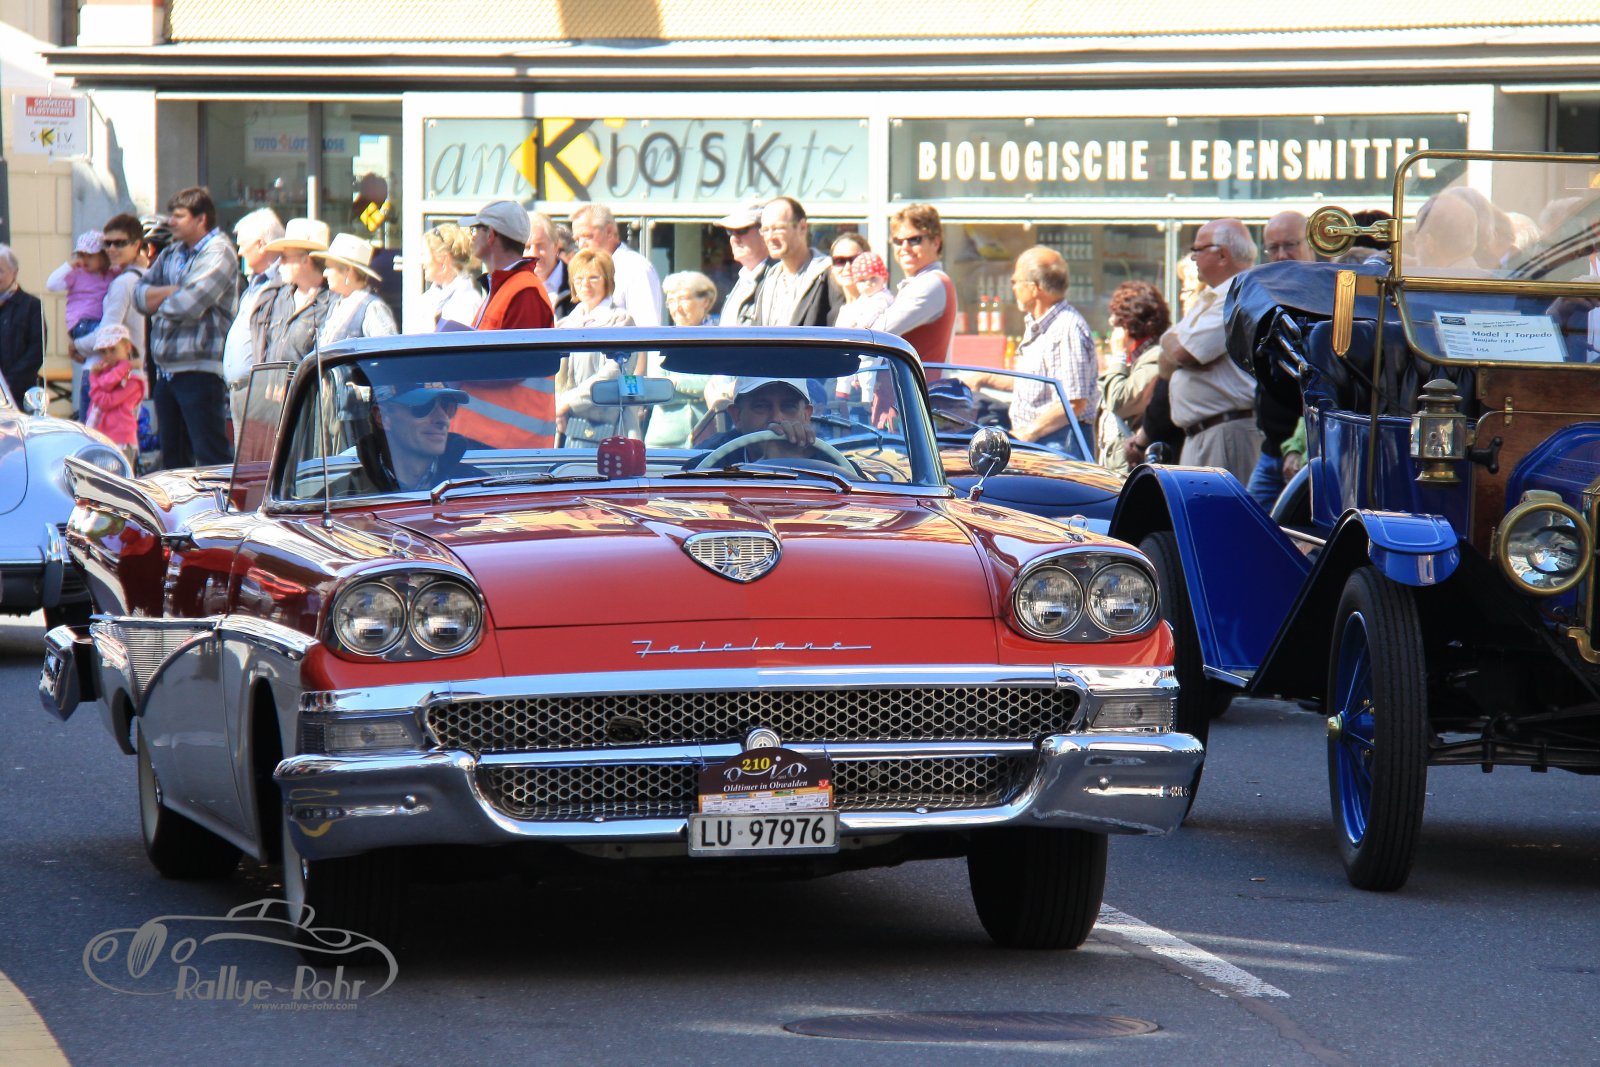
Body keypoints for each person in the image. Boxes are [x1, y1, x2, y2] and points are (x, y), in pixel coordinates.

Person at [134, 186, 238, 469]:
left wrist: (157, 301)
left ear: (201, 219)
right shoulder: (171, 253)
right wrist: (171, 291)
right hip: (166, 373)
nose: (171, 221)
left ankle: (218, 502)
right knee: (173, 463)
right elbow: (138, 296)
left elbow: (189, 304)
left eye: (179, 216)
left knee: (210, 458)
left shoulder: (219, 252)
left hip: (200, 372)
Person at [963, 246, 1097, 451]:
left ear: (1034, 288)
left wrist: (1027, 433)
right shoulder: (1043, 325)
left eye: (1015, 282)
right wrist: (985, 378)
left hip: (1058, 444)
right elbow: (1036, 384)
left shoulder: (1066, 329)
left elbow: (1074, 402)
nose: (1013, 288)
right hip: (1044, 440)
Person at [1159, 218, 1261, 482]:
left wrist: (1176, 347)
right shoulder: (1212, 297)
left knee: (1220, 508)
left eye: (1198, 249)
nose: (1193, 257)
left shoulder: (1237, 294)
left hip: (1225, 432)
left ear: (1222, 254)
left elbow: (1183, 354)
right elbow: (1167, 362)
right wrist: (1172, 343)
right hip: (1206, 433)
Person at [555, 247, 638, 446]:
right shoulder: (565, 324)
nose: (585, 284)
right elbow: (555, 376)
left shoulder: (621, 320)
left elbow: (615, 372)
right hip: (568, 428)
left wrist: (568, 401)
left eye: (593, 277)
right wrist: (558, 406)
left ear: (607, 280)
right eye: (579, 278)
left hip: (610, 428)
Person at [1096, 280, 1172, 474]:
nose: (1111, 324)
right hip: (1116, 465)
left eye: (1117, 319)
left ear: (1129, 323)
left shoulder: (1155, 357)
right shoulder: (1138, 356)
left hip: (1131, 468)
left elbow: (1120, 401)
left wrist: (1118, 355)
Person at [222, 208, 284, 428]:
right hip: (241, 390)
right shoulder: (255, 283)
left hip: (260, 389)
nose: (239, 253)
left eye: (242, 245)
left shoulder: (281, 281)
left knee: (261, 450)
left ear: (260, 244)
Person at [358, 382, 478, 494]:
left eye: (447, 407)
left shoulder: (476, 486)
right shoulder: (350, 492)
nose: (443, 419)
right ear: (382, 417)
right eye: (423, 407)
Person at [646, 271, 719, 448]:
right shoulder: (662, 339)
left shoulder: (720, 339)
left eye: (683, 299)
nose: (676, 308)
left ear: (705, 301)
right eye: (671, 301)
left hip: (708, 435)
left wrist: (675, 382)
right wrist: (703, 390)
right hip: (663, 440)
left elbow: (719, 383)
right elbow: (657, 390)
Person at [880, 203, 957, 367]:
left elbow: (876, 332)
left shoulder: (931, 283)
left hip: (921, 383)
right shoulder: (919, 282)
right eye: (898, 241)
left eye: (914, 240)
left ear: (936, 242)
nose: (904, 248)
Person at [250, 218, 334, 367]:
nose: (279, 263)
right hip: (271, 381)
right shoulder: (278, 298)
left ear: (306, 260)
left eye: (284, 258)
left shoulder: (332, 304)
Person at [47, 231, 114, 416]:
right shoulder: (76, 274)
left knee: (106, 337)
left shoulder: (112, 275)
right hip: (81, 324)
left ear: (103, 256)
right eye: (81, 255)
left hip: (98, 322)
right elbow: (51, 285)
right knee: (109, 337)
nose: (84, 260)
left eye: (89, 256)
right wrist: (68, 266)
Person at [460, 200, 553, 330]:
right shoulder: (506, 287)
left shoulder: (525, 292)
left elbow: (520, 344)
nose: (473, 237)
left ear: (490, 235)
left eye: (475, 230)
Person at [753, 196, 841, 329]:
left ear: (802, 227)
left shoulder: (830, 277)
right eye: (765, 230)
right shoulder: (765, 283)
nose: (770, 237)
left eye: (778, 228)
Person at [569, 203, 662, 327]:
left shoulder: (635, 268)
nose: (581, 245)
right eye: (577, 239)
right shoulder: (573, 317)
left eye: (588, 236)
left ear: (609, 231)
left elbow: (647, 328)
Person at [315, 234, 399, 345]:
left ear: (348, 270)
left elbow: (388, 350)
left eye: (329, 267)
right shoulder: (336, 304)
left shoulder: (372, 307)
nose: (325, 274)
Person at [85, 323, 145, 471]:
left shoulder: (134, 379)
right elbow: (107, 384)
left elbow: (106, 401)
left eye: (113, 350)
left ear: (127, 347)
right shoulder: (104, 374)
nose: (108, 356)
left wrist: (94, 379)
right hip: (101, 437)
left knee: (119, 481)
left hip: (121, 440)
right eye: (103, 352)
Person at [0, 244, 45, 404]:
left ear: (15, 273)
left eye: (0, 271)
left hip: (20, 394)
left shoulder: (31, 306)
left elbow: (37, 351)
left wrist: (6, 385)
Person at [419, 222, 482, 331]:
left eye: (424, 255)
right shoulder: (426, 300)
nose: (421, 262)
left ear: (443, 259)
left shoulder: (468, 302)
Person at [716, 199, 769, 327]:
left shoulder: (779, 278)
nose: (734, 238)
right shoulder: (744, 278)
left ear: (764, 232)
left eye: (742, 230)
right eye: (730, 231)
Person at [526, 211, 574, 320]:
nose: (533, 254)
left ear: (556, 246)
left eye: (540, 246)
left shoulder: (579, 283)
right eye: (527, 247)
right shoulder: (510, 287)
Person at [829, 232, 871, 308]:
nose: (847, 267)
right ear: (832, 268)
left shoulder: (880, 307)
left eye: (855, 260)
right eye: (840, 261)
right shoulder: (834, 311)